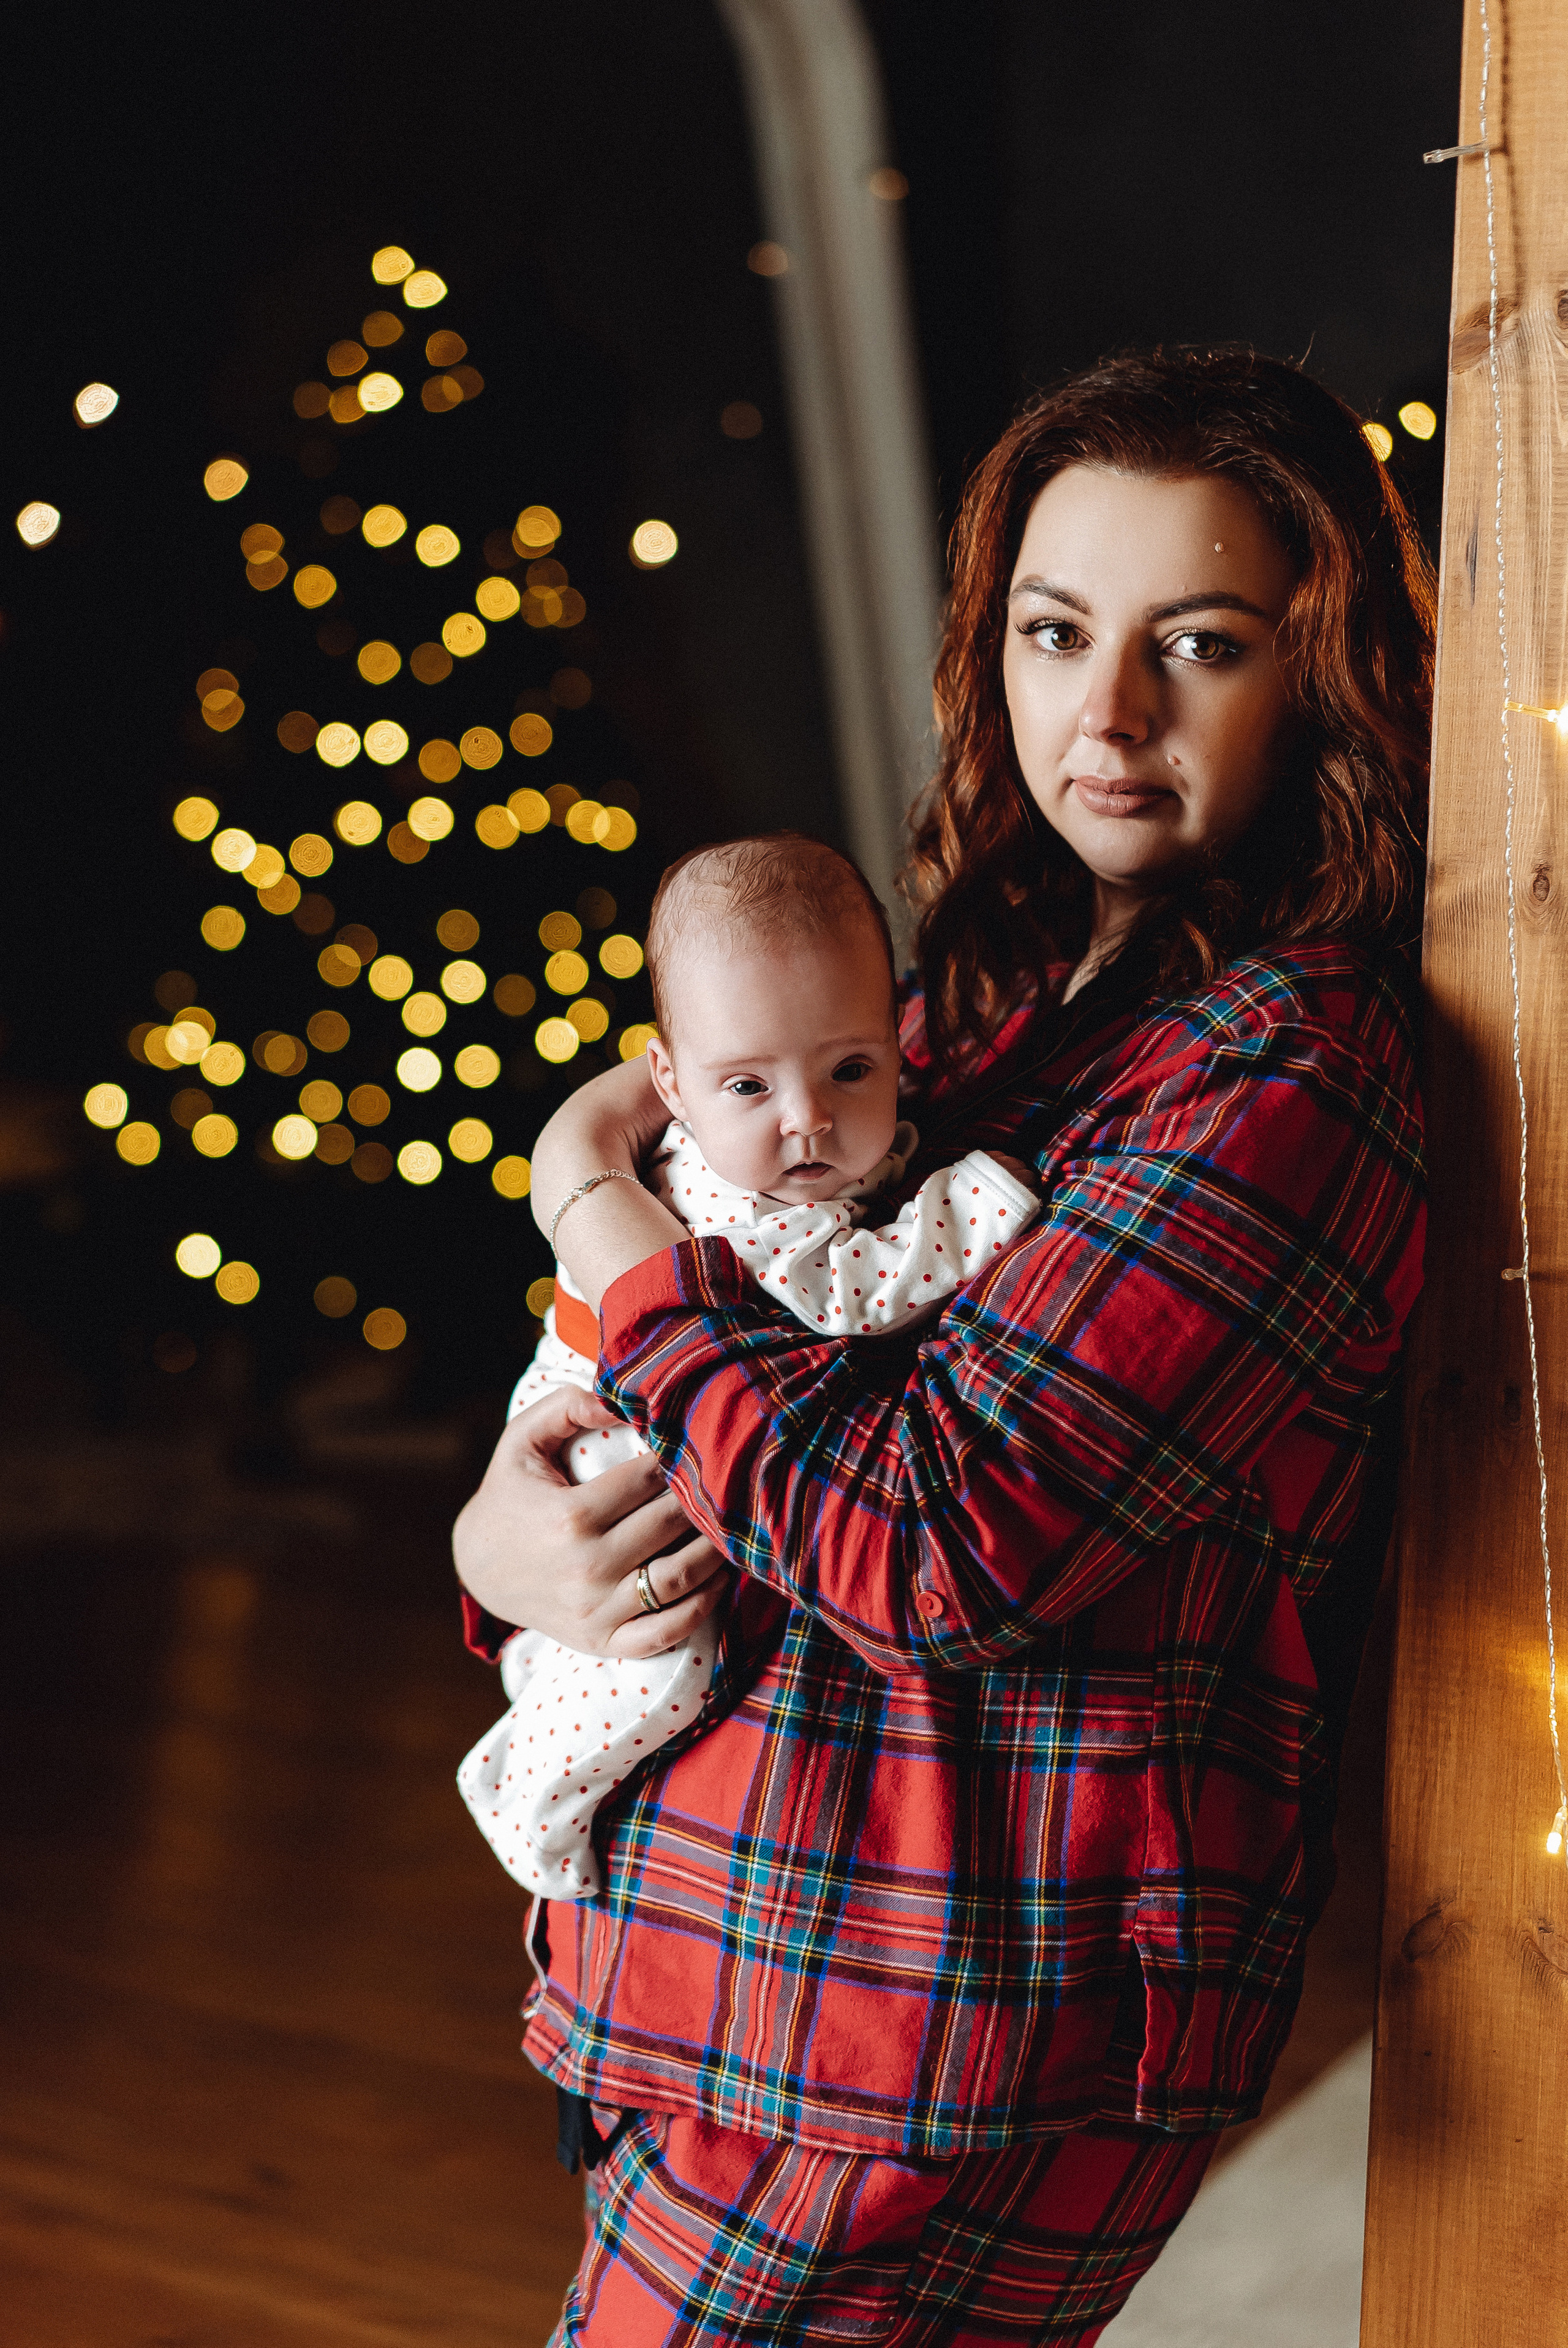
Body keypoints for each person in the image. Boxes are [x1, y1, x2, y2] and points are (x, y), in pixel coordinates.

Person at [453, 349, 1431, 2347]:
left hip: (940, 2030)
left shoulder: (1287, 1070)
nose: (1109, 711)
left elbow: (934, 1535)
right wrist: (500, 1547)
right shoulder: (1009, 1006)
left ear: (1319, 679)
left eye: (1205, 643)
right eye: (1058, 631)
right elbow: (751, 1405)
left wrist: (603, 1223)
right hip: (748, 1976)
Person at [458, 833, 1040, 1900]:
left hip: (617, 1419)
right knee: (664, 1661)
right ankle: (525, 1787)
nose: (808, 1117)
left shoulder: (763, 1138)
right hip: (610, 1444)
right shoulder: (735, 1206)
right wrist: (981, 1202)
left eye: (850, 1069)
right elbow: (846, 1292)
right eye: (748, 1085)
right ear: (669, 1084)